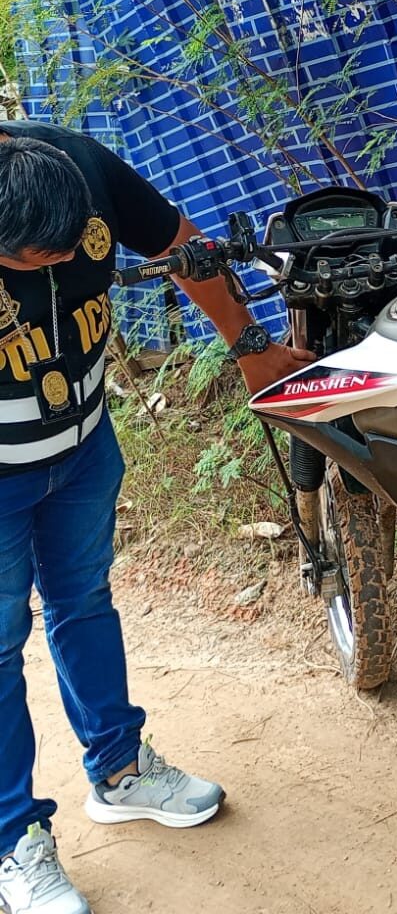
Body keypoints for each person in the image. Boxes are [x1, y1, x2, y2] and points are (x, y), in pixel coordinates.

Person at [0, 122, 314, 914]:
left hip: (82, 451)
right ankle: (13, 842)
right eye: (40, 260)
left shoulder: (79, 164)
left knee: (84, 601)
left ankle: (120, 770)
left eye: (73, 249)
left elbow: (185, 248)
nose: (66, 269)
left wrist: (249, 344)